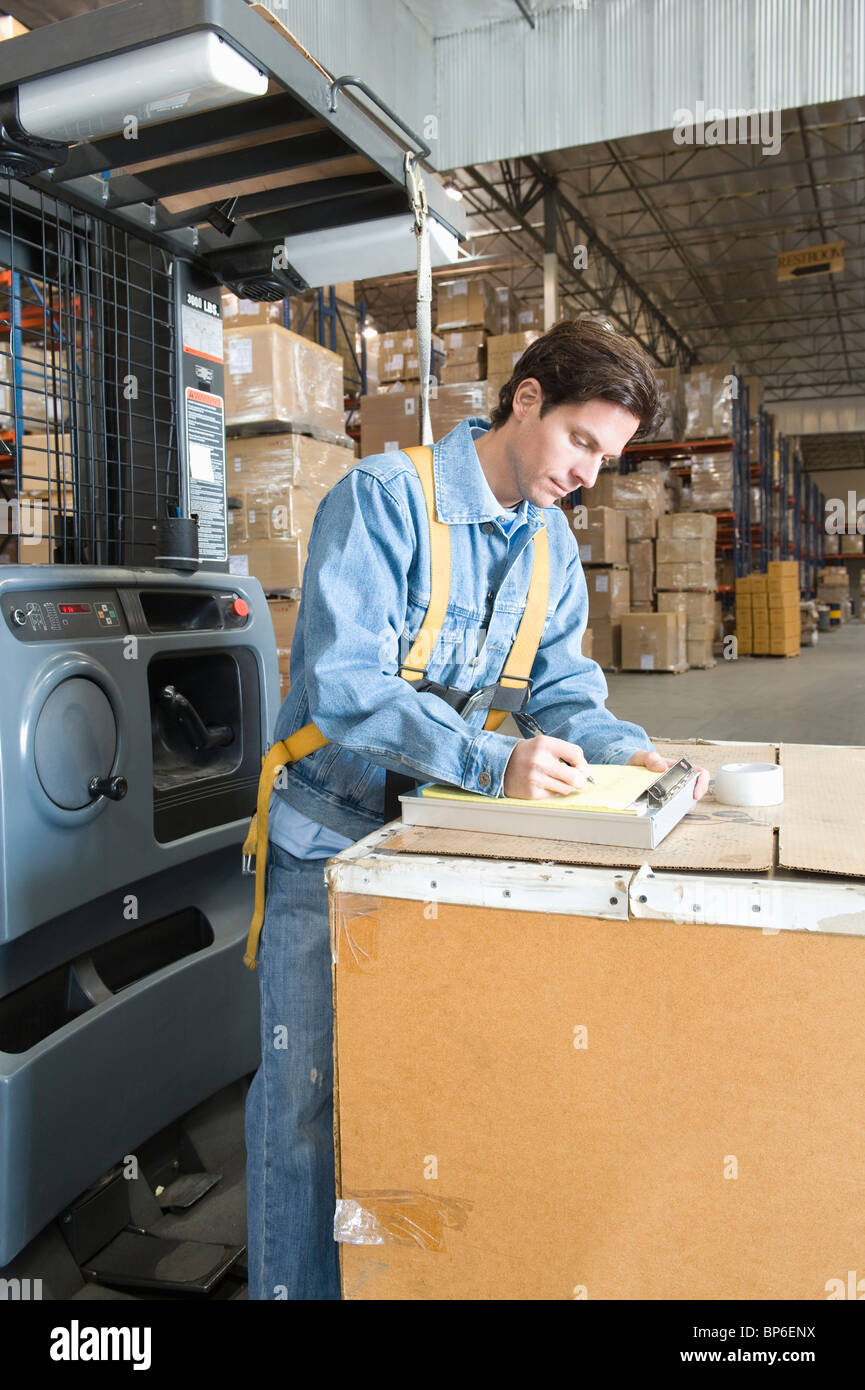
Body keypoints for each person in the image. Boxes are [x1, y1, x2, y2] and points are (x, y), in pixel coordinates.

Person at [244, 319, 710, 1300]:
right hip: (327, 839)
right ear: (527, 399)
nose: (588, 474)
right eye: (582, 442)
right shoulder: (384, 499)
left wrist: (628, 751)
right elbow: (341, 682)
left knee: (420, 1077)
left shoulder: (547, 542)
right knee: (304, 1098)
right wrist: (493, 761)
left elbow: (562, 683)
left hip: (433, 841)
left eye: (608, 458)